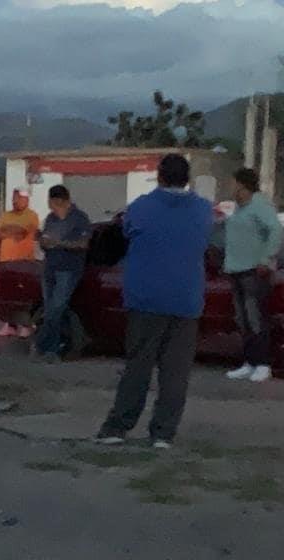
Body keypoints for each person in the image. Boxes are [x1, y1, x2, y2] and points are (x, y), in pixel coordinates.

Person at [96, 154, 214, 449]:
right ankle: (163, 433)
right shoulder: (202, 210)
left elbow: (123, 235)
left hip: (146, 299)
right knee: (176, 373)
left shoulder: (141, 208)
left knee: (138, 366)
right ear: (187, 179)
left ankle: (117, 427)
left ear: (159, 176)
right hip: (186, 301)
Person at [223, 168, 283, 383]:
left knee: (256, 318)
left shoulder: (260, 205)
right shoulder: (240, 208)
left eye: (233, 183)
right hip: (236, 270)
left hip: (254, 271)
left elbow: (276, 230)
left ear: (242, 184)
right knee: (243, 320)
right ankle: (249, 362)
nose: (230, 187)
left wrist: (266, 259)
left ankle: (263, 364)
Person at [35, 185, 91, 363]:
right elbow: (45, 243)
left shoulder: (79, 218)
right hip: (50, 267)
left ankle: (46, 347)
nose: (50, 205)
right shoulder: (50, 219)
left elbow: (83, 244)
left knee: (56, 307)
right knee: (50, 308)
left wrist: (60, 243)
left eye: (51, 201)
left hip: (68, 269)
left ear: (59, 200)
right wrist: (42, 241)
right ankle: (53, 346)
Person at [0, 187, 40, 338]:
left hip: (24, 263)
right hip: (6, 261)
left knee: (24, 296)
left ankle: (26, 325)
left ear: (26, 200)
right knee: (7, 295)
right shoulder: (5, 215)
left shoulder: (32, 216)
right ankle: (10, 325)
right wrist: (12, 230)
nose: (15, 201)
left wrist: (8, 229)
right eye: (14, 198)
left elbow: (23, 233)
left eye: (19, 198)